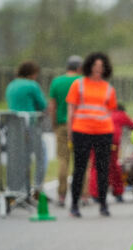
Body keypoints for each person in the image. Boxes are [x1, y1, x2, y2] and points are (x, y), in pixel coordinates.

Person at [66, 52, 117, 218]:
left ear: (105, 69)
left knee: (103, 168)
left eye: (101, 67)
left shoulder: (108, 88)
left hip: (103, 132)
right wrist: (69, 132)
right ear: (89, 67)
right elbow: (71, 110)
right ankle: (74, 204)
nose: (98, 70)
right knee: (79, 168)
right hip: (82, 130)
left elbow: (110, 111)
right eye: (95, 66)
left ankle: (103, 204)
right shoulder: (78, 84)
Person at [5, 60, 47, 198]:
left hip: (14, 126)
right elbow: (42, 104)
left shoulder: (11, 85)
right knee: (41, 155)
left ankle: (17, 189)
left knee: (20, 158)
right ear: (31, 73)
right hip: (31, 124)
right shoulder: (32, 85)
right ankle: (37, 187)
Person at [48, 55, 83, 207]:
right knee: (83, 161)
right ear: (79, 68)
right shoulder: (83, 81)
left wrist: (53, 124)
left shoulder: (56, 81)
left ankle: (62, 195)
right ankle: (84, 195)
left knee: (63, 160)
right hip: (81, 125)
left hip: (62, 124)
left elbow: (52, 106)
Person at [89, 103, 133, 202]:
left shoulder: (101, 112)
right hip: (111, 143)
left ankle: (95, 194)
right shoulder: (121, 114)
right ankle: (118, 192)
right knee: (114, 168)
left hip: (95, 140)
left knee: (96, 167)